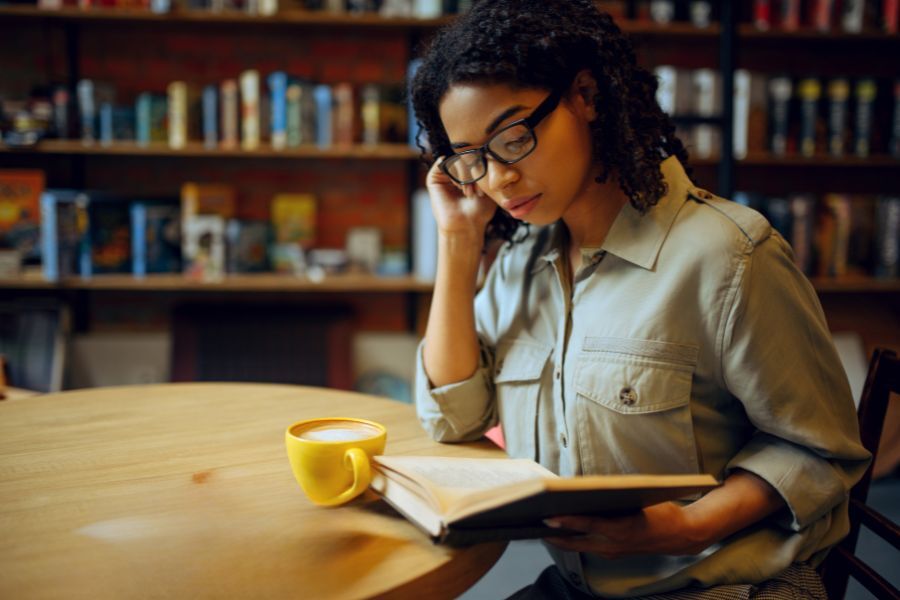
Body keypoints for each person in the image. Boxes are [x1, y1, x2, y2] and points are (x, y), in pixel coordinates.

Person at [409, 1, 872, 598]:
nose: (496, 179)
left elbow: (821, 451)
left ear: (586, 96)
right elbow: (456, 417)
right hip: (583, 586)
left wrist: (685, 525)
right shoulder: (525, 258)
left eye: (513, 137)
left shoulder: (728, 255)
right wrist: (458, 239)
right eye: (472, 158)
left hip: (722, 586)